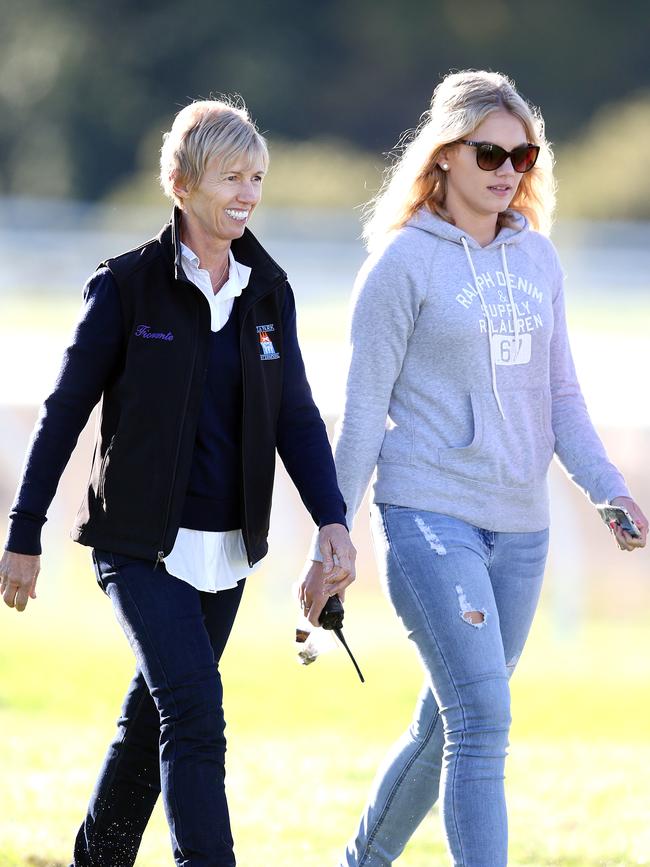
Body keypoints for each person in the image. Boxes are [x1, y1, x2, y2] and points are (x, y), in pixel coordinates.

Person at [299, 70, 647, 867]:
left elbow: (562, 398)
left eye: (523, 156)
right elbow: (360, 414)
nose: (507, 170)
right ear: (446, 154)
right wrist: (333, 536)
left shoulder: (538, 262)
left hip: (522, 530)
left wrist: (611, 491)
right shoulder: (400, 267)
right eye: (490, 151)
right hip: (427, 515)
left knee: (445, 724)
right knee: (484, 719)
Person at [0, 98, 355, 867]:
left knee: (151, 715)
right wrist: (23, 531)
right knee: (193, 711)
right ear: (181, 182)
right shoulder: (126, 287)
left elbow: (296, 415)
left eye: (256, 176)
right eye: (231, 175)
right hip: (136, 546)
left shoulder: (270, 290)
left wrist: (332, 518)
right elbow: (63, 411)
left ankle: (96, 859)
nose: (247, 192)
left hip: (228, 549)